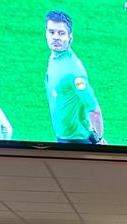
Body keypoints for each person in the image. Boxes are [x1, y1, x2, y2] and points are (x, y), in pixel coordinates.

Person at [44, 10, 105, 144]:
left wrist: (99, 140)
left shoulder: (74, 72)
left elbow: (94, 110)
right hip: (65, 134)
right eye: (51, 32)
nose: (55, 37)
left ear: (70, 37)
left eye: (61, 33)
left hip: (75, 140)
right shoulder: (54, 56)